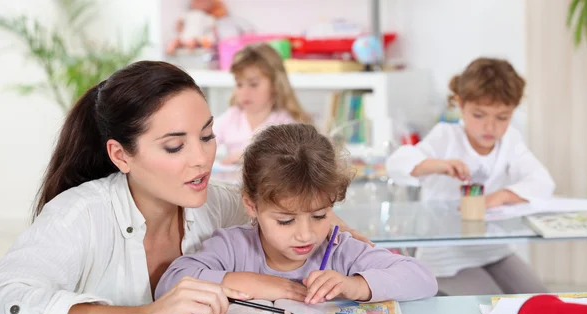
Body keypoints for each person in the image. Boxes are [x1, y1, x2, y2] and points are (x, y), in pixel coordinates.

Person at [0, 61, 365, 314]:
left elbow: (294, 212)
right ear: (121, 155)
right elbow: (7, 304)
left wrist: (333, 224)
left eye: (207, 136)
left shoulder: (220, 206)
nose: (201, 159)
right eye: (175, 146)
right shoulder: (80, 214)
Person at [156, 124, 437, 303]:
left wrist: (355, 285)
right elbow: (169, 284)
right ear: (252, 205)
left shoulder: (339, 250)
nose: (306, 234)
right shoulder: (233, 247)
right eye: (286, 220)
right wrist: (252, 282)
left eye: (319, 216)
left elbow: (423, 279)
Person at [385, 57, 555, 295]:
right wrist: (437, 165)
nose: (490, 127)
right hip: (447, 258)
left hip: (493, 251)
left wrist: (503, 195)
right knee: (491, 305)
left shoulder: (510, 141)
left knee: (541, 299)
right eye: (479, 115)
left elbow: (543, 182)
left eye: (502, 117)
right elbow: (397, 164)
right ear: (460, 104)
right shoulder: (446, 137)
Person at [213, 42, 310, 165]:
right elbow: (204, 141)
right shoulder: (231, 117)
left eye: (253, 84)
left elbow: (293, 164)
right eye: (239, 84)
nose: (244, 92)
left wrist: (249, 158)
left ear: (275, 85)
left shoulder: (286, 124)